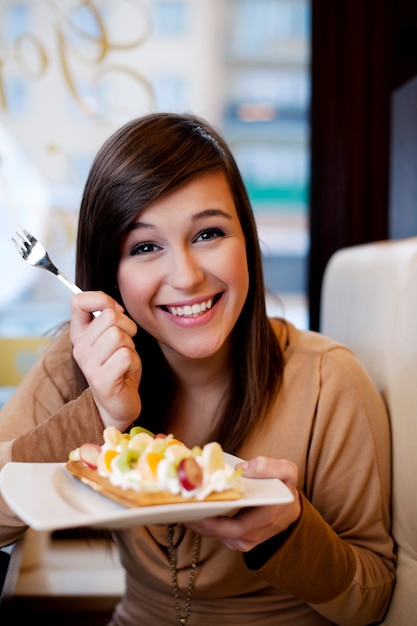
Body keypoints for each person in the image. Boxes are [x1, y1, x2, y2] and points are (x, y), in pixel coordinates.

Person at [0, 112, 395, 625]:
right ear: (109, 275)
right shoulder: (82, 367)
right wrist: (99, 412)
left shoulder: (328, 383)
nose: (186, 276)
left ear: (246, 242)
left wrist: (291, 534)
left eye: (208, 233)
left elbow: (370, 601)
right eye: (144, 247)